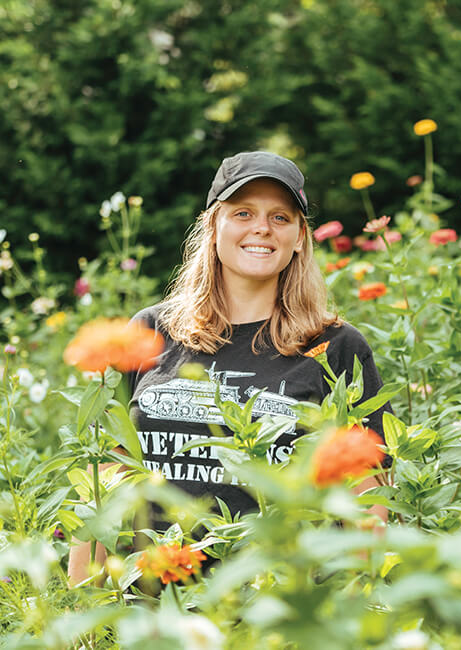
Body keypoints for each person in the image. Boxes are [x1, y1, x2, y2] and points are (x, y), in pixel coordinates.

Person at [68, 151, 391, 584]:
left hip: (283, 604)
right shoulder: (148, 332)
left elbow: (368, 502)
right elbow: (100, 487)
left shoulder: (335, 347)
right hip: (152, 605)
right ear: (213, 225)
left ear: (299, 237)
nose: (262, 228)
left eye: (280, 217)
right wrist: (82, 606)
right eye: (243, 213)